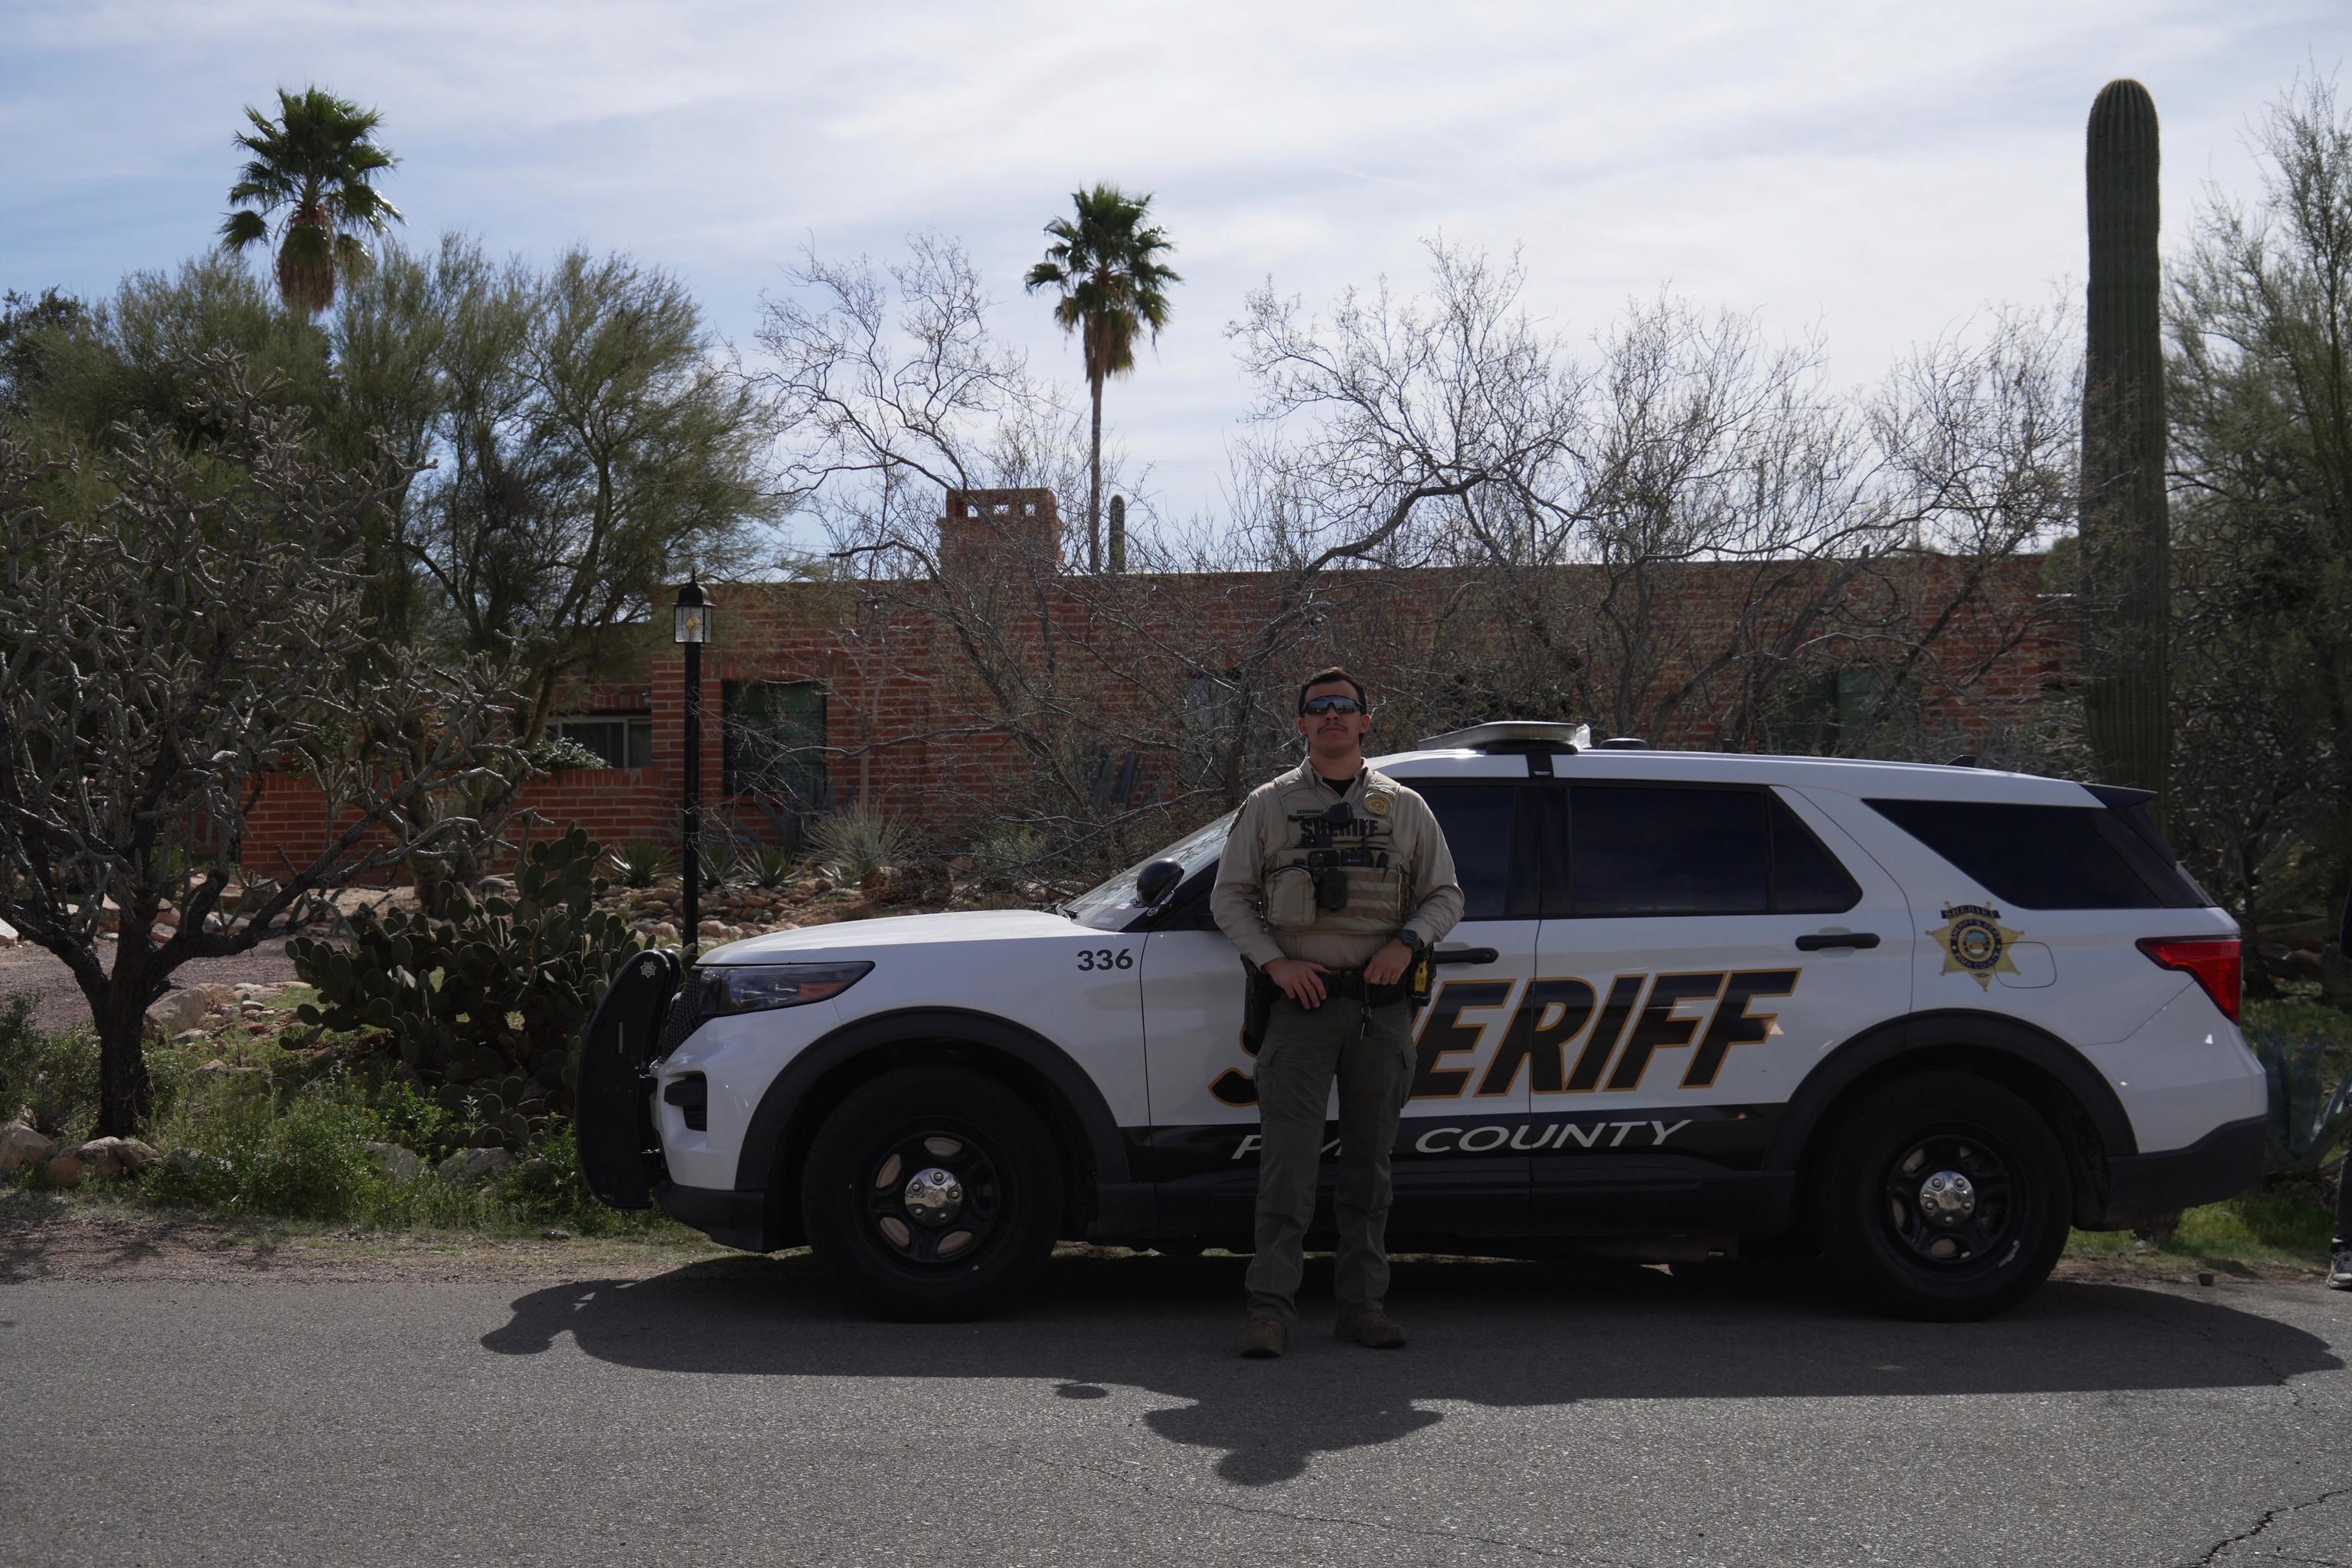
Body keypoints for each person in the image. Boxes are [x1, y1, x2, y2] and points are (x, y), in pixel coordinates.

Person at [1211, 667, 1464, 1357]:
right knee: (1286, 1169)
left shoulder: (1404, 807)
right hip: (1300, 1005)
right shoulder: (1268, 805)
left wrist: (1407, 943)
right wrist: (1276, 963)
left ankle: (1363, 1307)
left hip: (1379, 1012)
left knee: (1368, 1170)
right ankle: (1270, 1311)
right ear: (1300, 723)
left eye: (1344, 707)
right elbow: (1229, 898)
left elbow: (1446, 896)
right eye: (1317, 707)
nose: (1331, 717)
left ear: (1365, 721)